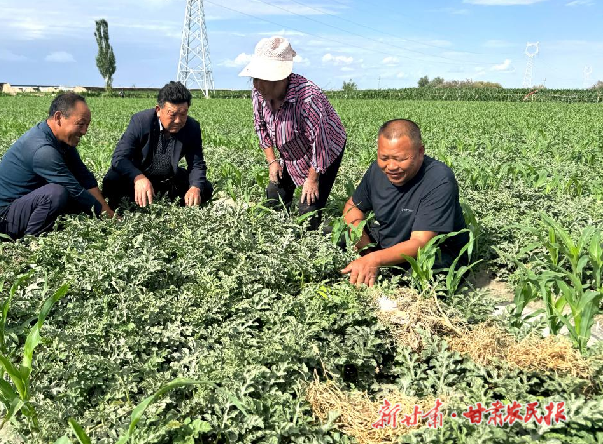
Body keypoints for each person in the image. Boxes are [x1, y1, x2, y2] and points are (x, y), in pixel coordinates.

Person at [340, 119, 470, 287]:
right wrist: (364, 248)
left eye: (400, 159)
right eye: (384, 157)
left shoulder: (439, 179)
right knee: (330, 235)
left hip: (434, 253)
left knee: (420, 280)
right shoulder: (376, 171)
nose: (391, 166)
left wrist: (374, 259)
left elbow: (421, 243)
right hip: (389, 240)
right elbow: (353, 206)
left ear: (420, 151)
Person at [239, 36, 347, 229]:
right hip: (291, 150)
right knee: (274, 196)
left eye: (262, 79)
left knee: (307, 213)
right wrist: (272, 162)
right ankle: (279, 230)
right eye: (255, 78)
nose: (257, 85)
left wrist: (312, 179)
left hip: (325, 149)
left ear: (280, 78)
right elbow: (260, 126)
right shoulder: (258, 93)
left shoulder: (308, 98)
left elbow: (321, 144)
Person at [0, 92, 114, 240]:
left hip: (29, 204)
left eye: (87, 125)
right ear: (59, 117)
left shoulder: (63, 141)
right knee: (57, 193)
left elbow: (84, 178)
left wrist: (107, 210)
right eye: (80, 124)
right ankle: (31, 243)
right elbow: (75, 190)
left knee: (85, 198)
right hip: (4, 218)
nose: (85, 131)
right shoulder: (43, 150)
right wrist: (108, 217)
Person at [102, 81, 213, 209]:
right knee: (112, 181)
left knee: (204, 187)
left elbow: (196, 164)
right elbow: (119, 158)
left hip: (167, 179)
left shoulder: (192, 127)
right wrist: (138, 177)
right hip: (138, 175)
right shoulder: (141, 122)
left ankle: (171, 201)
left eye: (183, 114)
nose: (178, 120)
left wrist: (195, 188)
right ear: (158, 110)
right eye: (172, 114)